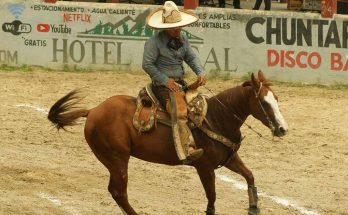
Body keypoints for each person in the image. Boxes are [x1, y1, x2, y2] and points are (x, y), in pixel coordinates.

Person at [142, 1, 206, 162]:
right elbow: (147, 64)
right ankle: (186, 149)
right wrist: (165, 80)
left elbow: (191, 57)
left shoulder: (182, 39)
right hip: (162, 86)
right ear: (165, 29)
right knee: (180, 111)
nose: (178, 29)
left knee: (200, 105)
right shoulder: (153, 42)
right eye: (175, 27)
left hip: (179, 83)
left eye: (179, 26)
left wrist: (200, 72)